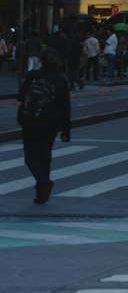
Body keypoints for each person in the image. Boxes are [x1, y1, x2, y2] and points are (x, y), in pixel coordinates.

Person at [18, 46, 71, 204]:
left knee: (30, 158)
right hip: (51, 124)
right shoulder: (61, 81)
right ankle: (42, 191)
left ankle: (43, 183)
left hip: (31, 121)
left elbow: (20, 96)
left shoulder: (33, 76)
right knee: (45, 156)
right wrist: (66, 130)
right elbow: (65, 107)